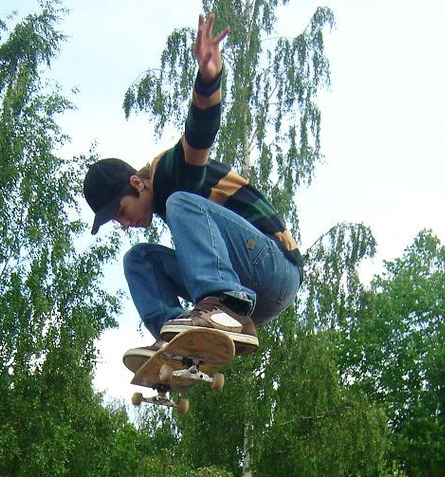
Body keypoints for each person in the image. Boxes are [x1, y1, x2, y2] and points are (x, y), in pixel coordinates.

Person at [83, 13, 303, 374]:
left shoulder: (168, 172)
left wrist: (208, 78)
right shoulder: (167, 201)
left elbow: (199, 135)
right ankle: (174, 337)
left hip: (276, 269)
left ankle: (222, 306)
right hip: (249, 286)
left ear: (137, 184)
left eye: (121, 211)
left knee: (180, 202)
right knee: (139, 259)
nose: (124, 223)